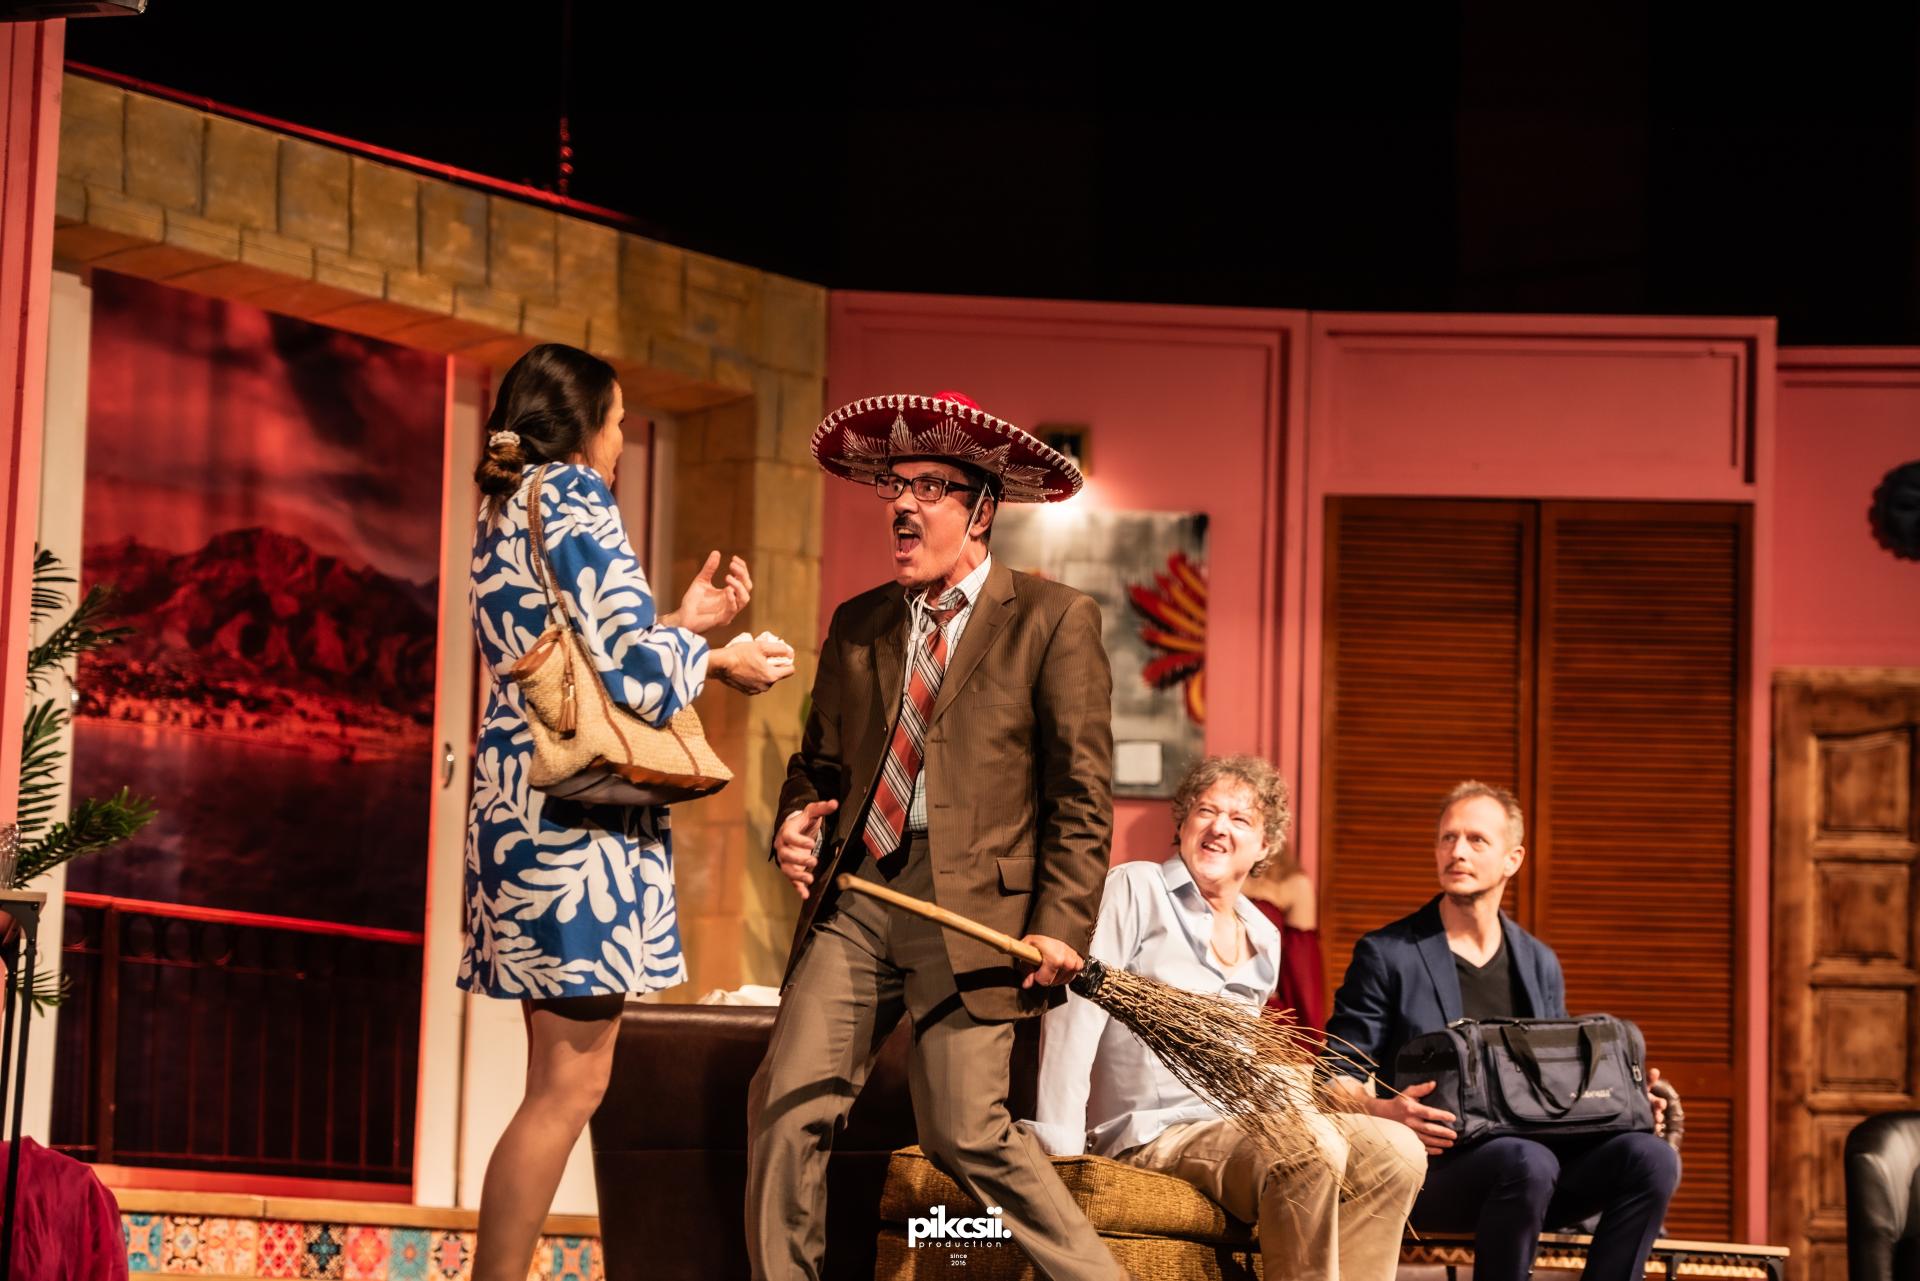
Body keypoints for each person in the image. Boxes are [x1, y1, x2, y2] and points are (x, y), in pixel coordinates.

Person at [748, 391, 1125, 1280]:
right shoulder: (859, 624)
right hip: (861, 893)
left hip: (976, 912)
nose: (903, 506)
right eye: (896, 485)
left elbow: (1081, 792)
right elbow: (819, 765)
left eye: (930, 487)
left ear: (981, 509)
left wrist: (1062, 922)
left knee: (964, 1130)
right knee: (786, 1102)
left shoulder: (1052, 619)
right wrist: (796, 815)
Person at [462, 343, 793, 1281]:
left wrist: (683, 623)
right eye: (616, 423)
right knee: (570, 1085)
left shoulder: (508, 500)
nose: (619, 442)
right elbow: (634, 675)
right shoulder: (572, 492)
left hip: (523, 802)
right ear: (582, 427)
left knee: (559, 1079)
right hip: (575, 826)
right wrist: (720, 659)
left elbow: (586, 650)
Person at [1032, 754, 1424, 1281]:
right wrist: (1058, 1146)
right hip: (1149, 1133)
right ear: (1181, 823)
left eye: (1240, 819)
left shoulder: (1263, 935)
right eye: (1206, 811)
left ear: (1265, 846)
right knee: (1307, 1147)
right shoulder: (1137, 887)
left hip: (1232, 1125)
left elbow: (1239, 1061)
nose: (1219, 827)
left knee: (1397, 1151)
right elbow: (1074, 1017)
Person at [1325, 781, 1679, 1281]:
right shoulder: (1387, 954)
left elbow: (1559, 1085)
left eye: (1476, 840)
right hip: (1433, 1169)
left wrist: (1627, 1104)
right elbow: (1332, 1076)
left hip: (1540, 1171)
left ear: (1513, 859)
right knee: (1527, 1161)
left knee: (1651, 1158)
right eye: (1448, 838)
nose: (1457, 852)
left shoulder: (1538, 961)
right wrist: (1384, 1111)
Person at [1240, 846, 1327, 1036]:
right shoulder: (1203, 871)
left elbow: (1302, 968)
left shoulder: (1293, 884)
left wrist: (1309, 1034)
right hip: (1204, 1001)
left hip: (1263, 1019)